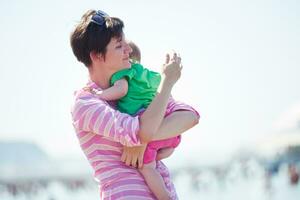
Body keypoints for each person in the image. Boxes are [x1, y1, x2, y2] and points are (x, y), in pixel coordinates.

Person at [70, 9, 199, 200]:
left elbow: (189, 116)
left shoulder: (135, 89)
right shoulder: (86, 102)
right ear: (97, 55)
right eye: (119, 46)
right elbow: (142, 131)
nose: (128, 50)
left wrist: (143, 141)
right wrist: (167, 82)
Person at [87, 40, 191, 199]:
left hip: (145, 124)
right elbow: (174, 104)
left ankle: (164, 196)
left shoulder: (124, 73)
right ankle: (158, 155)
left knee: (146, 167)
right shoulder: (152, 76)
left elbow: (120, 90)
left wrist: (100, 95)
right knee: (159, 154)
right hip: (166, 130)